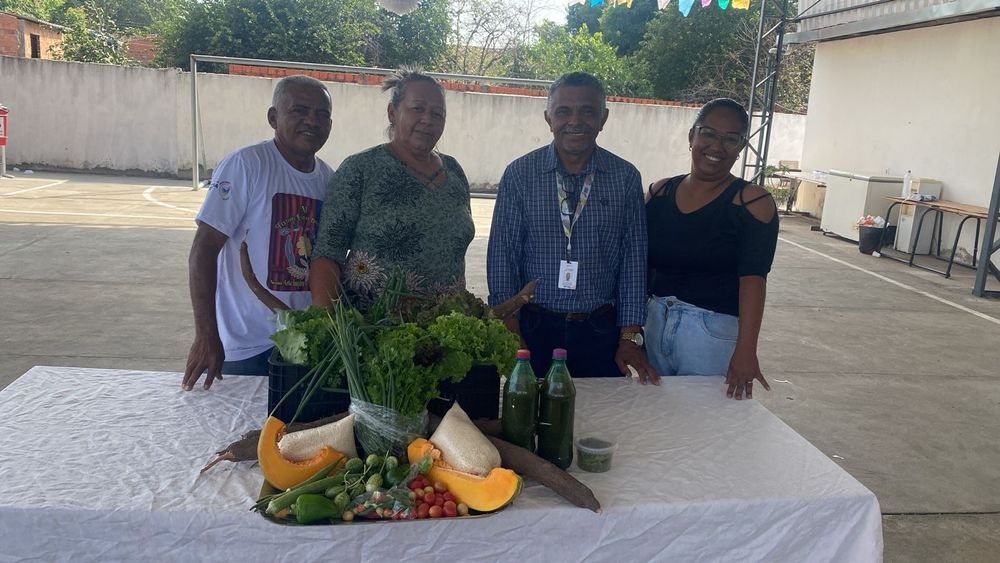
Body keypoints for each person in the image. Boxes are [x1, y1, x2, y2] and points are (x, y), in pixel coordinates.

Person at [486, 71, 656, 381]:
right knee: (535, 421)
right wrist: (509, 329)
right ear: (548, 117)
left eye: (587, 111)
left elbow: (634, 261)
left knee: (603, 422)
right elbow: (502, 256)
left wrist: (629, 337)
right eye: (563, 111)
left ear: (603, 118)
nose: (574, 120)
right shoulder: (520, 175)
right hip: (535, 327)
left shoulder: (625, 178)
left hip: (600, 329)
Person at [182, 75, 334, 391]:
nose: (311, 121)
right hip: (247, 347)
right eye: (300, 110)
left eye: (322, 114)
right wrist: (206, 333)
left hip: (303, 347)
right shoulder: (247, 165)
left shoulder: (329, 180)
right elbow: (203, 251)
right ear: (273, 117)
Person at [644, 98, 779, 399]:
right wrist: (631, 334)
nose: (717, 146)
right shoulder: (659, 193)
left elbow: (754, 279)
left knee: (707, 430)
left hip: (711, 337)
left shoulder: (752, 203)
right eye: (708, 133)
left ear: (741, 146)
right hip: (654, 324)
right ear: (692, 135)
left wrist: (746, 350)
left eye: (730, 139)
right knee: (654, 424)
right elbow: (640, 267)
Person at [310, 68, 474, 305]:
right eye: (417, 109)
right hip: (372, 330)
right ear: (392, 113)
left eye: (437, 114)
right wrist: (329, 324)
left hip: (443, 328)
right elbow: (327, 254)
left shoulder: (454, 171)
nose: (427, 120)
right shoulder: (360, 169)